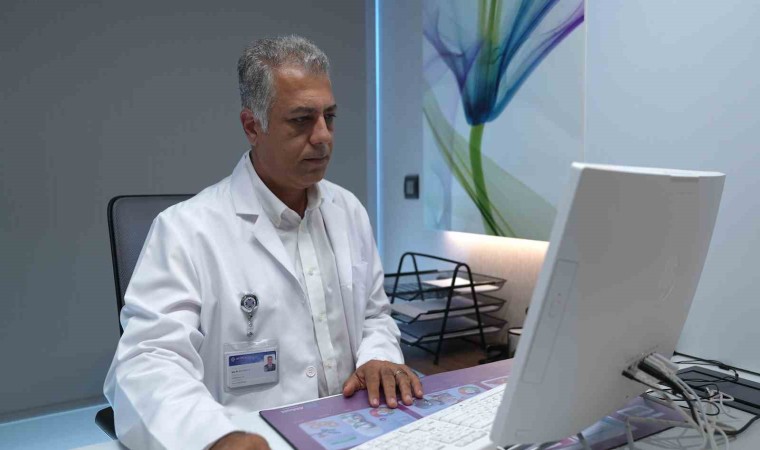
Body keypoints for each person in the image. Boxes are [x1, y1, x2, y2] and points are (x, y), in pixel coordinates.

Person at [103, 35, 423, 450]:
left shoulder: (348, 211)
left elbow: (374, 315)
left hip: (356, 431)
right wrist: (214, 437)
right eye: (301, 120)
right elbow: (146, 363)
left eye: (329, 116)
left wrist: (378, 356)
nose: (323, 136)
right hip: (249, 439)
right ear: (253, 126)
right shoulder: (186, 230)